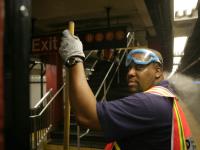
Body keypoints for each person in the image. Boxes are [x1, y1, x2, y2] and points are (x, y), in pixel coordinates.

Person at [59, 29, 196, 150]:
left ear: (158, 71)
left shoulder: (150, 103)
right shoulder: (166, 97)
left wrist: (74, 58)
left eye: (139, 67)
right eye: (129, 67)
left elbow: (86, 116)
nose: (130, 73)